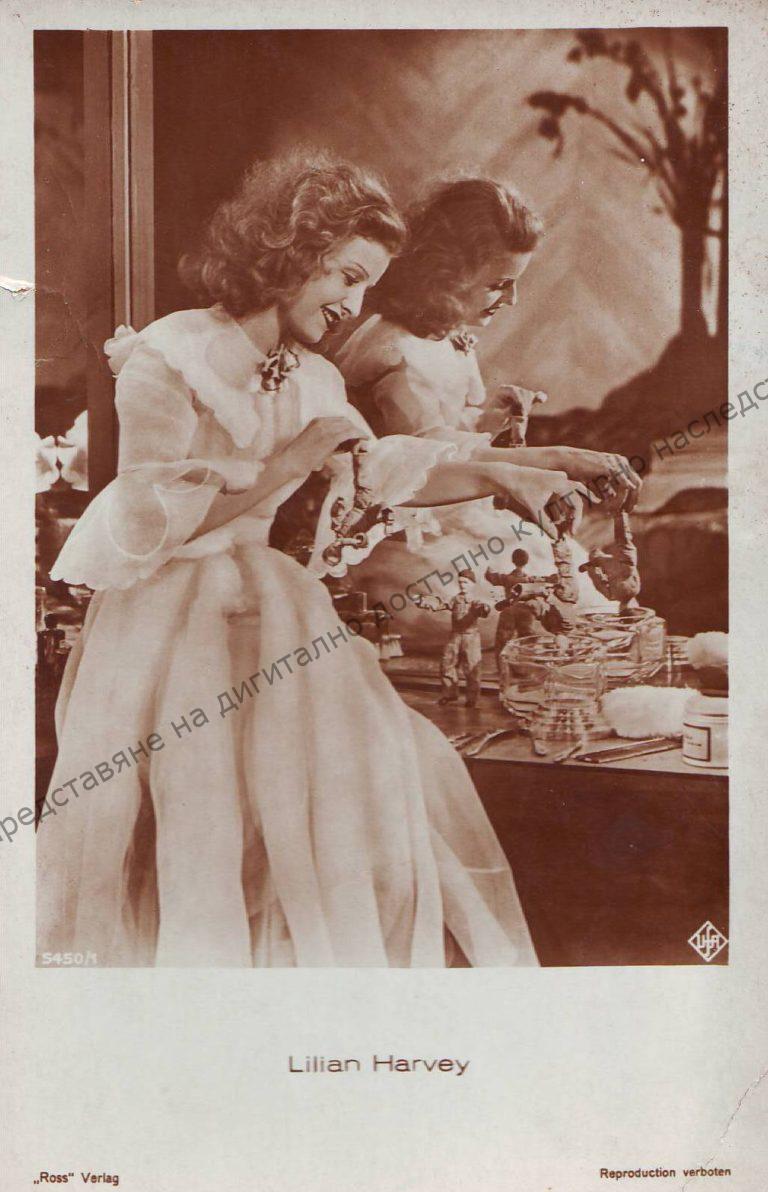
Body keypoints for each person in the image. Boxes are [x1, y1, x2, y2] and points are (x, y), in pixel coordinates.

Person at [37, 153, 587, 969]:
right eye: (347, 277)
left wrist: (516, 473)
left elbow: (384, 473)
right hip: (166, 628)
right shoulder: (170, 352)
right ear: (292, 255)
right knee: (196, 833)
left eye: (368, 287)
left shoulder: (319, 378)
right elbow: (151, 523)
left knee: (354, 798)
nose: (353, 306)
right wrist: (290, 460)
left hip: (276, 615)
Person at [335, 176, 642, 649]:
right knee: (529, 610)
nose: (512, 300)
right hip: (406, 539)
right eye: (499, 285)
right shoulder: (392, 350)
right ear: (446, 275)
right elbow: (428, 459)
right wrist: (559, 457)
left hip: (464, 515)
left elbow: (452, 434)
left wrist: (489, 421)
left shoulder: (445, 336)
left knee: (576, 595)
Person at [415, 568, 491, 706]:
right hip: (455, 636)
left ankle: (472, 699)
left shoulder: (476, 601)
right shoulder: (455, 599)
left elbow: (482, 609)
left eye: (466, 582)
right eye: (460, 582)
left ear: (473, 584)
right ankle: (449, 694)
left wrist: (484, 608)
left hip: (471, 638)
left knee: (472, 668)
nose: (462, 585)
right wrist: (423, 601)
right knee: (447, 663)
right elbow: (440, 604)